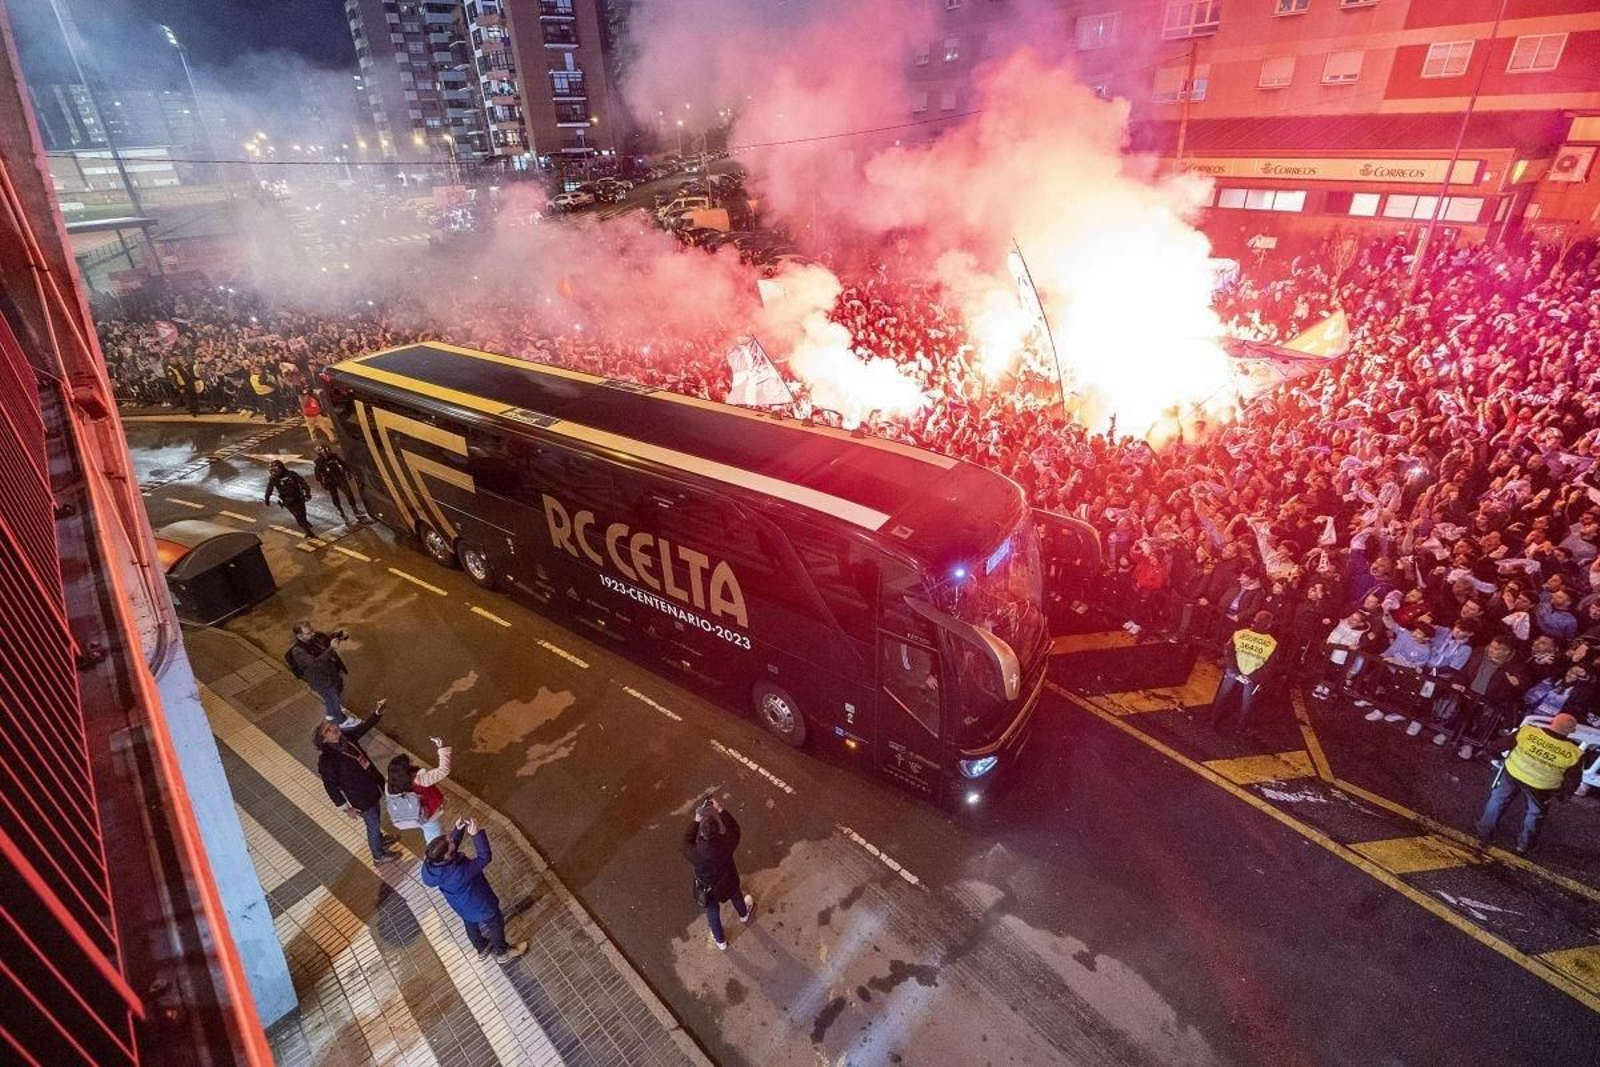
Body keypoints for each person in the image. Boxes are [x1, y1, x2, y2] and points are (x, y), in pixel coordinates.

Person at [1474, 712, 1584, 855]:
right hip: (1541, 787)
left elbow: (1498, 745)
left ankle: (1484, 830)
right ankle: (1524, 845)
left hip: (1514, 772)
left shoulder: (1528, 732)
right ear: (1572, 731)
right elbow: (1573, 780)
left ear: (1552, 722)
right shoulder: (1574, 753)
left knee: (1498, 800)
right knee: (1535, 814)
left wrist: (1495, 757)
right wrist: (1562, 794)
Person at [421, 818, 528, 964]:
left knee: (470, 922)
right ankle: (503, 952)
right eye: (450, 840)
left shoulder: (430, 866)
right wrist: (476, 835)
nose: (452, 839)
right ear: (446, 856)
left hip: (461, 905)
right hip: (480, 905)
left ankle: (481, 947)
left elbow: (448, 852)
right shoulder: (458, 873)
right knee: (495, 923)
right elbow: (484, 857)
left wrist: (458, 830)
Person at [314, 714, 400, 866]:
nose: (334, 728)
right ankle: (378, 855)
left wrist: (377, 714)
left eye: (332, 725)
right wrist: (346, 808)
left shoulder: (346, 739)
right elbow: (330, 787)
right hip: (360, 798)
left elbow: (363, 728)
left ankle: (379, 840)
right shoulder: (327, 761)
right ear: (324, 740)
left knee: (376, 817)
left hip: (371, 785)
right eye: (328, 730)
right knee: (372, 824)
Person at [681, 796, 755, 950]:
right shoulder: (726, 842)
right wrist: (720, 809)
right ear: (717, 830)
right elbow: (734, 829)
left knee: (713, 911)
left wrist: (696, 820)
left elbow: (685, 842)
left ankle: (720, 941)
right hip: (728, 879)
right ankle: (743, 914)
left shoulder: (696, 852)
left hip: (708, 887)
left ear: (702, 833)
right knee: (736, 895)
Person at [286, 621, 376, 728]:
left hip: (331, 673)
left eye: (312, 630)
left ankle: (332, 713)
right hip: (320, 680)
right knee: (332, 697)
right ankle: (341, 721)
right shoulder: (298, 651)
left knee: (336, 692)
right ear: (299, 636)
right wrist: (332, 648)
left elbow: (325, 639)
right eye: (308, 633)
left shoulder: (314, 637)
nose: (313, 634)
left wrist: (338, 637)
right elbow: (315, 664)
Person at [1209, 610, 1281, 734]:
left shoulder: (1239, 634)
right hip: (1251, 677)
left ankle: (1212, 719)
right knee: (1247, 702)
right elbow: (1269, 667)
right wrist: (1253, 677)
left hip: (1233, 671)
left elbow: (1228, 653)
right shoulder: (1272, 644)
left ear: (1255, 620)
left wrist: (1235, 672)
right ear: (1269, 625)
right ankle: (1240, 727)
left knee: (1222, 695)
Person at [386, 736, 452, 843]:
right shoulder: (420, 780)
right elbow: (444, 770)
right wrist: (441, 747)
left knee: (429, 831)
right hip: (428, 814)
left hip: (411, 815)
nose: (412, 762)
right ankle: (437, 852)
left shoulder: (390, 782)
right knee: (434, 838)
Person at [313, 444, 367, 523]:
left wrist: (348, 472)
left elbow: (343, 464)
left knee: (349, 493)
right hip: (330, 481)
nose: (326, 453)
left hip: (339, 477)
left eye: (326, 451)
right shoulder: (319, 462)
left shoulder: (334, 457)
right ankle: (340, 511)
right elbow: (318, 475)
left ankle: (355, 509)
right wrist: (323, 483)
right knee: (335, 497)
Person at [265, 459, 315, 536]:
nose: (274, 473)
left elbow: (302, 482)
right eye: (272, 471)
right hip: (288, 501)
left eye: (275, 470)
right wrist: (267, 498)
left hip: (299, 497)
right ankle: (308, 532)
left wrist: (307, 493)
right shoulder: (273, 479)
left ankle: (305, 522)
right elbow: (269, 489)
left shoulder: (291, 474)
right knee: (298, 516)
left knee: (302, 513)